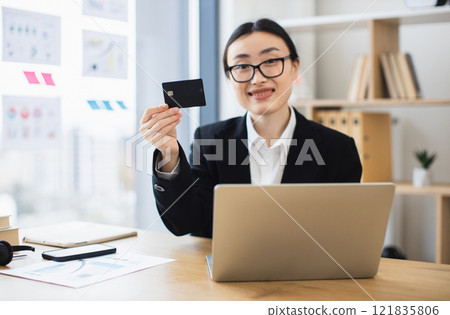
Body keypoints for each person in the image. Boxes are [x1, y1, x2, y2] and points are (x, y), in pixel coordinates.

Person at [139, 18, 362, 238]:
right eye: (242, 66)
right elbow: (184, 223)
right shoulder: (210, 140)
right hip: (225, 272)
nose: (257, 78)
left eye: (271, 61)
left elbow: (344, 234)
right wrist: (169, 153)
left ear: (295, 69)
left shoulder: (338, 148)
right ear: (229, 78)